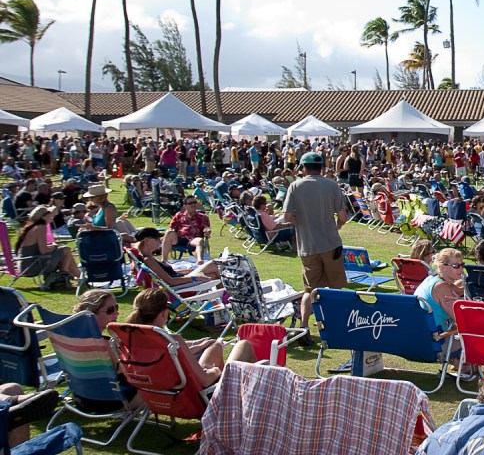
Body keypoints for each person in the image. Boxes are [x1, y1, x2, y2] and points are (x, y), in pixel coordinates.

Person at [124, 288, 256, 388]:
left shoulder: (130, 338)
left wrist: (199, 344)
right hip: (196, 393)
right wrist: (215, 371)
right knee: (244, 345)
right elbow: (205, 380)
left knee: (214, 345)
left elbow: (172, 354)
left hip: (164, 392)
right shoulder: (172, 340)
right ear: (163, 314)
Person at [281, 152, 348, 331]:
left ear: (303, 167)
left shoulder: (295, 186)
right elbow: (343, 216)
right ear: (322, 168)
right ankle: (335, 325)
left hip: (308, 246)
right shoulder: (332, 185)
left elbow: (287, 217)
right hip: (331, 244)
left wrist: (303, 222)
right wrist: (337, 225)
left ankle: (304, 326)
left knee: (310, 290)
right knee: (335, 288)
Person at [14, 206, 80, 288]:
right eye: (49, 214)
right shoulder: (41, 227)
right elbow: (44, 250)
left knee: (65, 251)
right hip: (31, 266)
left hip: (26, 264)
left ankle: (78, 278)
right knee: (66, 250)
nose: (51, 216)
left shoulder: (32, 227)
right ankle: (64, 278)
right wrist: (54, 246)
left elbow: (39, 248)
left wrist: (53, 247)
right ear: (43, 216)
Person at [132, 227, 219, 285]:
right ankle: (225, 299)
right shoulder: (148, 260)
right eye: (156, 238)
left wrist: (192, 270)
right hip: (179, 285)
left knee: (214, 274)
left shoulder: (148, 257)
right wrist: (195, 277)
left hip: (180, 279)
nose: (159, 241)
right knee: (214, 265)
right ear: (146, 240)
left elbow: (170, 273)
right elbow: (171, 281)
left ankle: (223, 299)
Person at [414, 248, 465, 335]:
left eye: (462, 265)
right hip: (437, 338)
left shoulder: (431, 279)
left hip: (419, 334)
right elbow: (464, 321)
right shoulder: (442, 287)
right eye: (456, 266)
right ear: (442, 267)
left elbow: (459, 290)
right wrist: (463, 303)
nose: (461, 269)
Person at [163, 196, 211, 262]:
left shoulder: (203, 217)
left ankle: (200, 260)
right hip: (180, 239)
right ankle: (164, 260)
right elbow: (170, 228)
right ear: (185, 206)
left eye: (195, 202)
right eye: (190, 203)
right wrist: (170, 231)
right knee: (169, 233)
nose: (193, 205)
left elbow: (206, 228)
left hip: (194, 239)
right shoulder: (179, 216)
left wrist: (207, 230)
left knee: (200, 240)